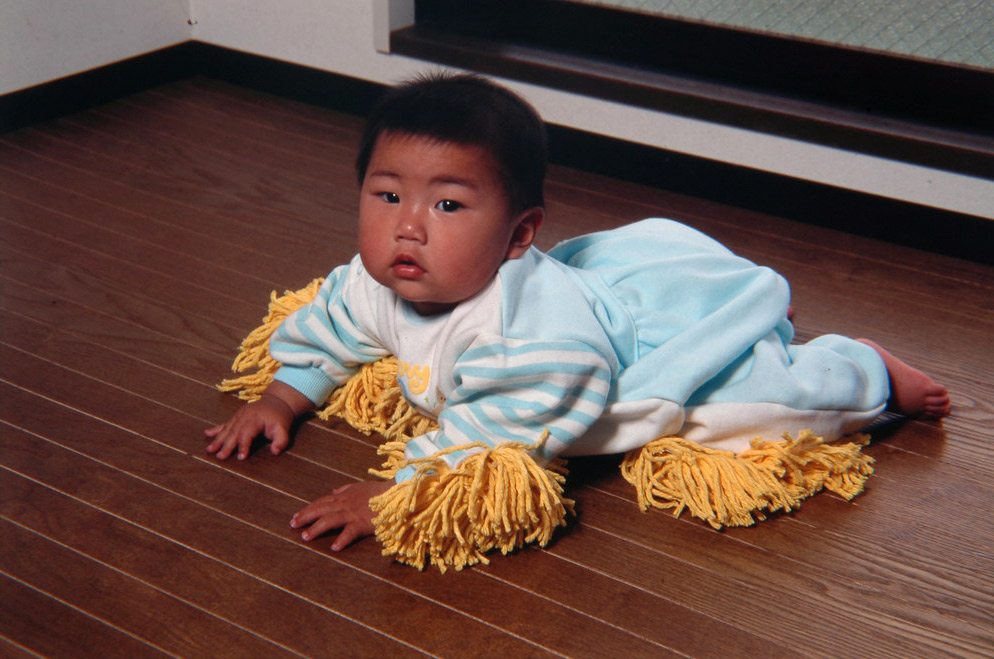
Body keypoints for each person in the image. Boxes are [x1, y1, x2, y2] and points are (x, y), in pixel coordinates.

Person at [204, 72, 950, 555]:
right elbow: (329, 322)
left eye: (449, 204)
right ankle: (787, 324)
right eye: (387, 193)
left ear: (520, 234)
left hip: (643, 351)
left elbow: (497, 435)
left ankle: (864, 368)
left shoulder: (531, 335)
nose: (409, 225)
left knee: (751, 410)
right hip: (610, 292)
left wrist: (397, 490)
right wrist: (282, 393)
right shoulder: (373, 281)